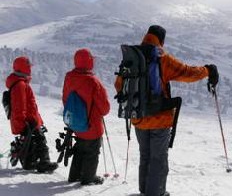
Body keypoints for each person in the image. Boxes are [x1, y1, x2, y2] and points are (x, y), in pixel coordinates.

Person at [114, 25, 219, 196]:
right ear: (161, 40)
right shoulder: (161, 58)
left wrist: (136, 100)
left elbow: (118, 84)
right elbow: (187, 73)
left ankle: (145, 191)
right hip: (159, 118)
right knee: (158, 159)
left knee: (145, 155)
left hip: (138, 116)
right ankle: (156, 193)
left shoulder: (132, 57)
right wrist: (207, 70)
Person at [62, 48, 110, 185]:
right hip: (92, 125)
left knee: (79, 149)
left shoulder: (69, 77)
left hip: (75, 123)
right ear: (90, 62)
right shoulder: (93, 82)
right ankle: (88, 178)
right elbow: (105, 108)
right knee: (92, 152)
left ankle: (74, 175)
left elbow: (65, 99)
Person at [6, 56, 58, 173]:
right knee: (40, 141)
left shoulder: (19, 83)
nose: (30, 69)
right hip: (28, 121)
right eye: (29, 67)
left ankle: (29, 163)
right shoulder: (20, 85)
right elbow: (20, 107)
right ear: (24, 68)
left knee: (31, 142)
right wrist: (23, 123)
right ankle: (44, 163)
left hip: (28, 120)